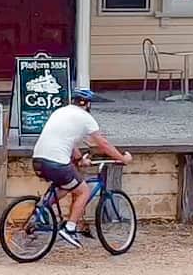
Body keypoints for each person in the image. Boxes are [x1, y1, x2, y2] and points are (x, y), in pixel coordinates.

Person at [29, 88, 131, 248]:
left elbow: (67, 141)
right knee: (84, 191)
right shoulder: (86, 118)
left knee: (67, 185)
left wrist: (79, 159)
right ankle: (70, 229)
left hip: (38, 159)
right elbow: (102, 143)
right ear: (88, 104)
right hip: (57, 162)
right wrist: (122, 158)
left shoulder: (60, 112)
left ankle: (40, 212)